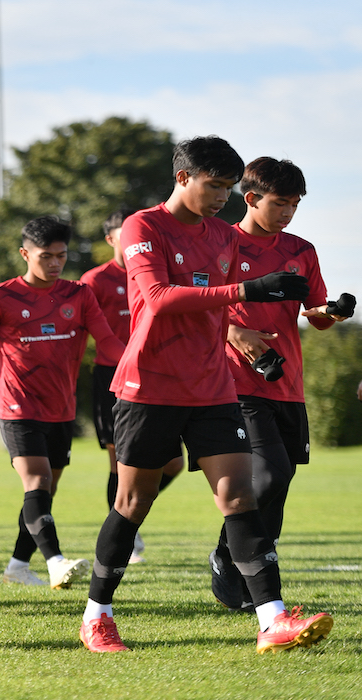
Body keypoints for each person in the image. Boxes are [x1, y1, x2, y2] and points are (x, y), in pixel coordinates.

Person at [78, 136, 332, 654]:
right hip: (149, 385)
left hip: (215, 387)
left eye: (228, 188)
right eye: (213, 186)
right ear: (182, 178)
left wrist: (300, 299)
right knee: (133, 501)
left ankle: (272, 619)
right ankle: (97, 616)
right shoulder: (142, 226)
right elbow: (157, 299)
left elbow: (252, 285)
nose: (221, 197)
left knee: (242, 496)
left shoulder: (224, 234)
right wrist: (246, 291)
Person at [0, 216, 123, 589]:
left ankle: (17, 564)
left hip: (61, 410)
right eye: (46, 256)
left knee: (45, 490)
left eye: (61, 256)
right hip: (17, 407)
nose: (55, 263)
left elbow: (108, 342)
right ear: (25, 254)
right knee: (38, 480)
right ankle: (55, 560)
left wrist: (137, 367)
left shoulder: (79, 294)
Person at [210, 156, 353, 611]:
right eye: (280, 203)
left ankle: (244, 568)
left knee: (280, 483)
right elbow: (196, 306)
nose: (288, 213)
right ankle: (228, 556)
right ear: (250, 198)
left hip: (287, 383)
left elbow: (315, 315)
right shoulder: (220, 244)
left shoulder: (301, 250)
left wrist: (330, 313)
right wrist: (236, 333)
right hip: (235, 383)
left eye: (295, 205)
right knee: (270, 474)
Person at [80, 209, 184, 564]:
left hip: (159, 376)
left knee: (172, 464)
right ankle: (125, 533)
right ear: (111, 239)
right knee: (118, 462)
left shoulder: (161, 272)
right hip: (112, 380)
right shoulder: (94, 281)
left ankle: (128, 518)